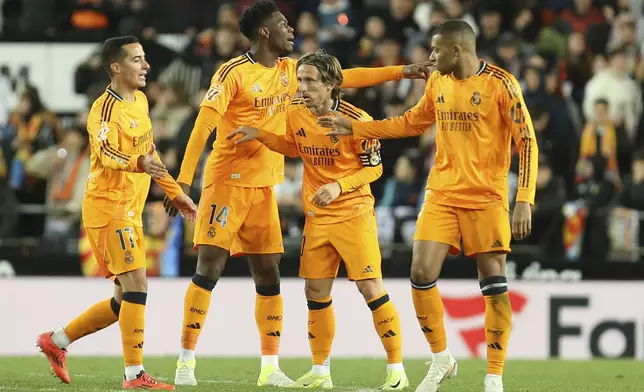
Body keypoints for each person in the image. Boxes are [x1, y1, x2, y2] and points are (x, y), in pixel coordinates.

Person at [163, 0, 431, 387]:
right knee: (209, 269)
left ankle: (270, 369)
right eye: (283, 24)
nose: (291, 29)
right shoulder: (233, 73)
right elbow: (204, 125)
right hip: (226, 182)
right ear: (264, 33)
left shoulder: (292, 72)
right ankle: (185, 362)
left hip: (265, 186)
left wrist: (403, 71)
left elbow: (345, 77)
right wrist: (182, 182)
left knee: (268, 274)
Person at [318, 20, 538, 392]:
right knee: (420, 272)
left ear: (457, 50)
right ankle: (441, 359)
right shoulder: (438, 82)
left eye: (436, 50)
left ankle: (494, 376)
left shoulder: (501, 84)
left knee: (493, 284)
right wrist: (357, 129)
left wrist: (524, 199)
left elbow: (527, 142)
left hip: (487, 198)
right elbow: (411, 123)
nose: (430, 57)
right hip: (441, 193)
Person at [227, 50, 409, 390]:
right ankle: (320, 372)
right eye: (301, 80)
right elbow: (296, 147)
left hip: (354, 214)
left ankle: (397, 370)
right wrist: (260, 134)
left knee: (370, 289)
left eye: (310, 80)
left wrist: (339, 186)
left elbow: (375, 168)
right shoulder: (296, 113)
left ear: (331, 85)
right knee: (315, 291)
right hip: (318, 217)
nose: (303, 87)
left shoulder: (357, 119)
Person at [36, 36, 197, 391]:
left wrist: (176, 194)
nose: (146, 66)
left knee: (124, 298)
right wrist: (138, 162)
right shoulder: (102, 111)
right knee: (137, 284)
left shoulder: (140, 100)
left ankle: (58, 340)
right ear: (116, 67)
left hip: (130, 209)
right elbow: (107, 153)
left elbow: (151, 156)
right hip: (108, 209)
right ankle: (134, 376)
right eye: (137, 60)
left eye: (144, 59)